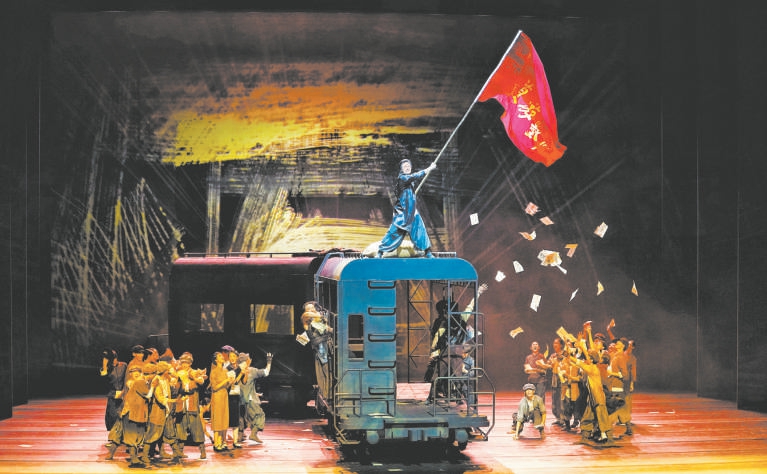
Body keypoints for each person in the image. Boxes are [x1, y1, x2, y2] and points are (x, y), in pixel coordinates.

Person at [376, 158, 436, 258]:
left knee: (420, 231)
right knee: (394, 233)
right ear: (401, 169)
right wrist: (429, 169)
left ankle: (427, 252)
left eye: (408, 166)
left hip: (412, 212)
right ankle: (380, 252)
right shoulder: (402, 178)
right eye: (405, 167)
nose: (407, 168)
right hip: (402, 214)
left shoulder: (409, 180)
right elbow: (414, 176)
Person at [173, 352, 208, 460]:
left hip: (192, 406)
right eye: (183, 363)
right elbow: (175, 387)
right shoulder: (178, 373)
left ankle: (202, 450)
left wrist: (194, 380)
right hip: (182, 406)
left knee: (197, 429)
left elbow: (201, 382)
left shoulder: (194, 372)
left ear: (190, 363)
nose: (184, 365)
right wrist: (179, 383)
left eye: (187, 363)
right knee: (181, 429)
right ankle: (179, 451)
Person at [238, 352, 273, 443]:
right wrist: (269, 361)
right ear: (247, 361)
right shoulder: (251, 371)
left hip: (240, 400)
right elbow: (266, 372)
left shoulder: (236, 371)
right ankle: (253, 434)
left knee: (243, 417)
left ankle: (239, 435)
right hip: (250, 400)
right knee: (259, 415)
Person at [301, 302, 331, 397]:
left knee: (327, 371)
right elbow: (310, 315)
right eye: (308, 309)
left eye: (312, 308)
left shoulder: (318, 320)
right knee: (322, 372)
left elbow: (327, 329)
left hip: (323, 346)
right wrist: (322, 314)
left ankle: (327, 393)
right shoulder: (307, 317)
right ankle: (325, 393)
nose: (310, 311)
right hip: (319, 348)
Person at [209, 351, 234, 452]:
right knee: (218, 419)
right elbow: (214, 387)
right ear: (216, 360)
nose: (222, 357)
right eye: (219, 356)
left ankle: (222, 441)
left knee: (224, 418)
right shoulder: (214, 371)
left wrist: (230, 382)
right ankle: (216, 443)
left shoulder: (225, 371)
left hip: (224, 396)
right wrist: (225, 380)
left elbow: (226, 386)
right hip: (217, 396)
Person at [99, 348, 126, 440]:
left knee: (123, 415)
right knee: (112, 415)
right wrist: (104, 365)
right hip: (112, 394)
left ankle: (123, 435)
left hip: (123, 393)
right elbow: (103, 381)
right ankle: (114, 436)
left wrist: (124, 391)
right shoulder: (106, 369)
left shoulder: (123, 365)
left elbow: (127, 378)